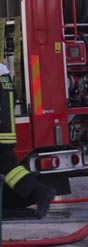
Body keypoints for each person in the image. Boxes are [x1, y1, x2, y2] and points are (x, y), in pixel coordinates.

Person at [1, 62, 55, 218]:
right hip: (5, 89)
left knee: (4, 161)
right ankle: (39, 193)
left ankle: (39, 193)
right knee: (5, 162)